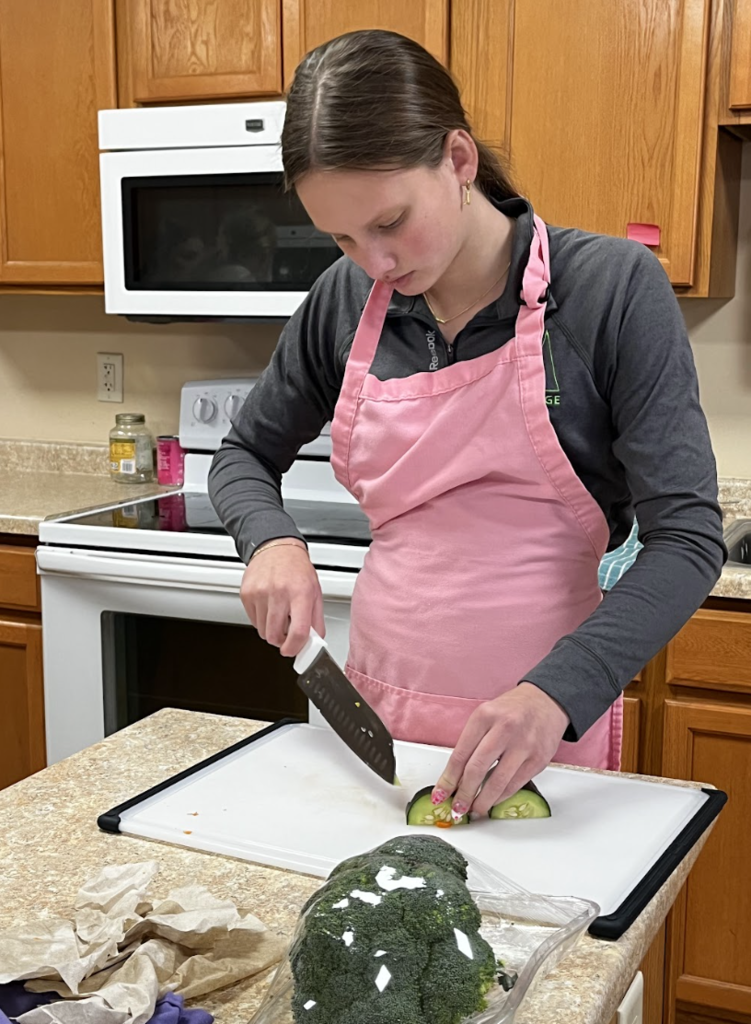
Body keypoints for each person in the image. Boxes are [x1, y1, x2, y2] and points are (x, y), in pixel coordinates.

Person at [208, 29, 725, 821]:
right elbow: (243, 453)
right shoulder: (342, 302)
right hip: (378, 704)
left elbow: (687, 536)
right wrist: (270, 539)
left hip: (544, 719)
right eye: (341, 237)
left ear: (457, 160)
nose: (372, 260)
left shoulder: (609, 290)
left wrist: (557, 692)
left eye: (389, 222)